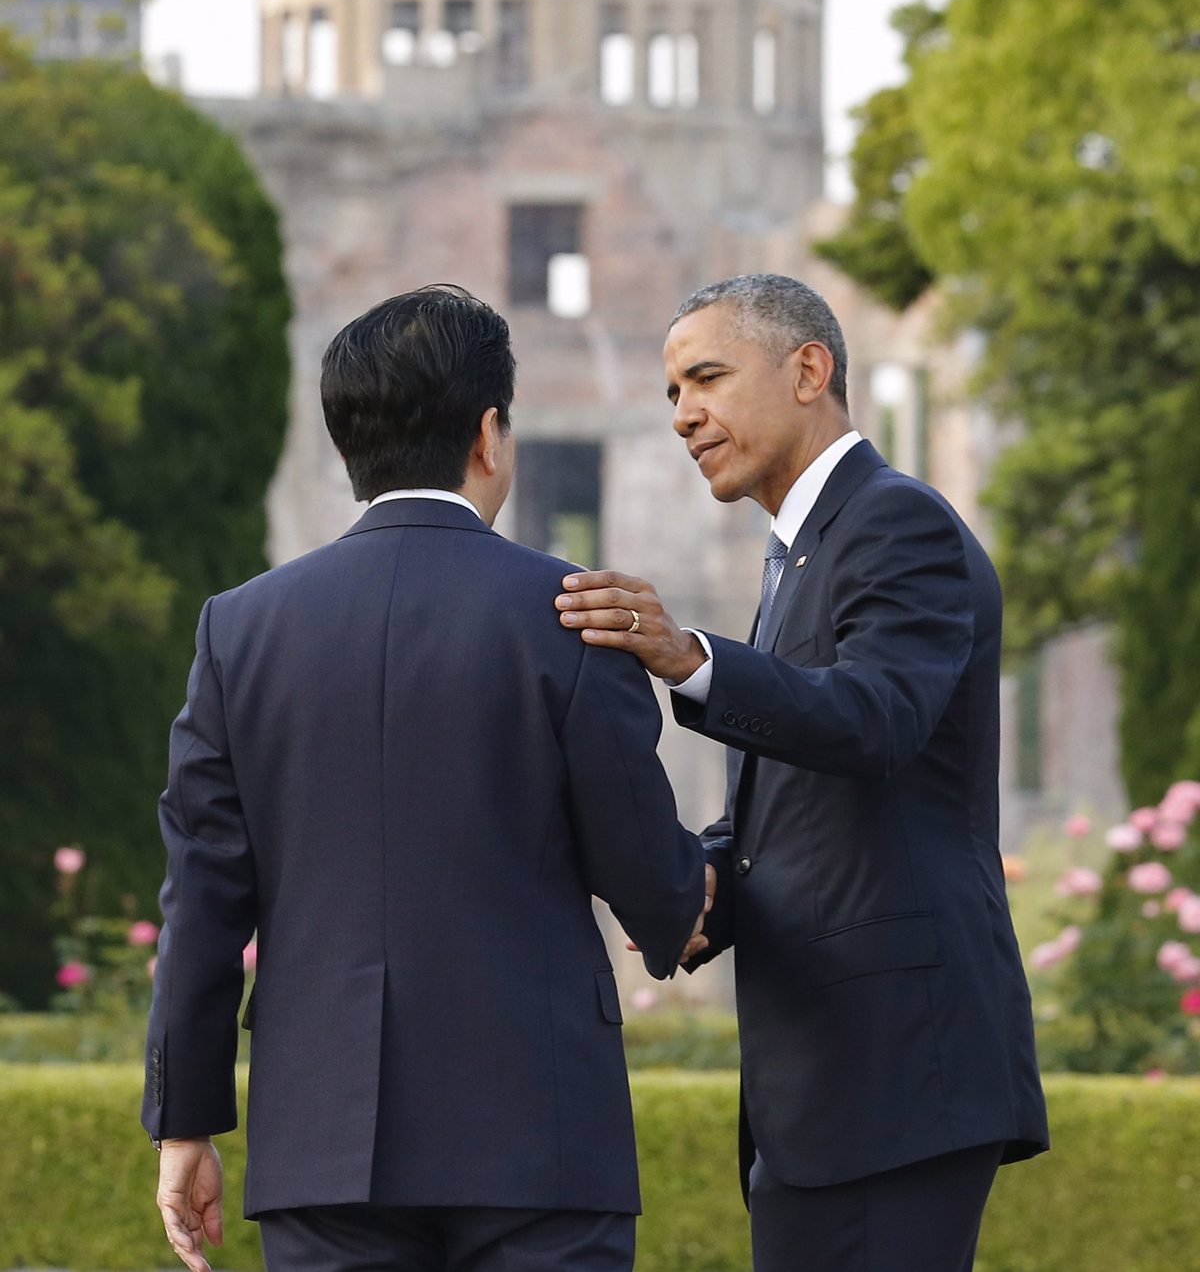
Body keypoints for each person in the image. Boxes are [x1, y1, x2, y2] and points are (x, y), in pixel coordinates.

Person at [141, 284, 707, 1272]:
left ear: (347, 439)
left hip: (324, 1143)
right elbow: (654, 885)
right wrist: (701, 901)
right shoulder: (574, 614)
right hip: (543, 1139)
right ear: (491, 434)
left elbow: (202, 899)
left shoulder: (242, 630)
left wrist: (185, 1125)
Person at [556, 273, 1049, 1272]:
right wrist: (690, 891)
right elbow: (801, 808)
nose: (685, 414)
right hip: (837, 1079)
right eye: (671, 393)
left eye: (706, 377)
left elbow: (877, 721)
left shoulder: (896, 523)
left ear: (809, 369)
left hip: (898, 1068)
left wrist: (689, 658)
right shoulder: (798, 555)